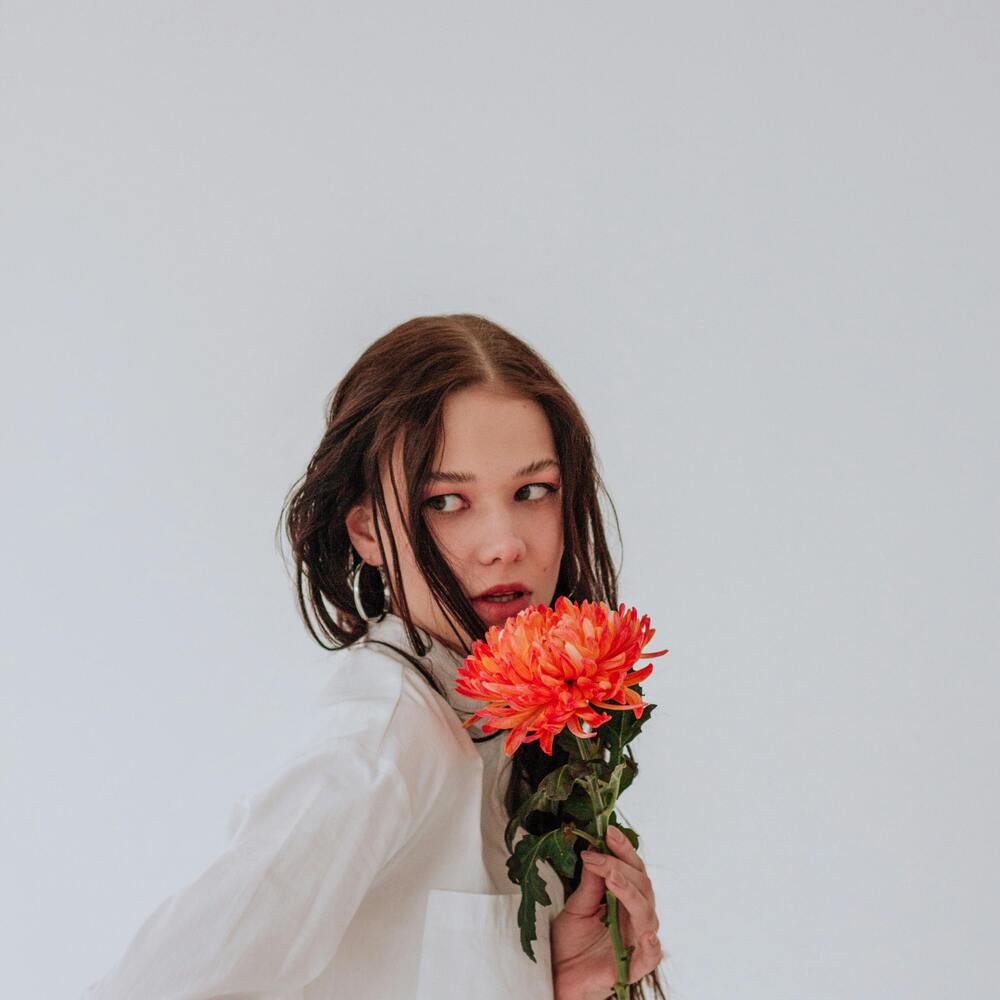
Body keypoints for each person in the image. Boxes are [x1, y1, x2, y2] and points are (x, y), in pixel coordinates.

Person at [81, 314, 667, 1000]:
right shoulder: (385, 739)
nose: (504, 542)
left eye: (532, 491)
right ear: (367, 530)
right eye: (446, 502)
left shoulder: (511, 734)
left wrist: (563, 985)